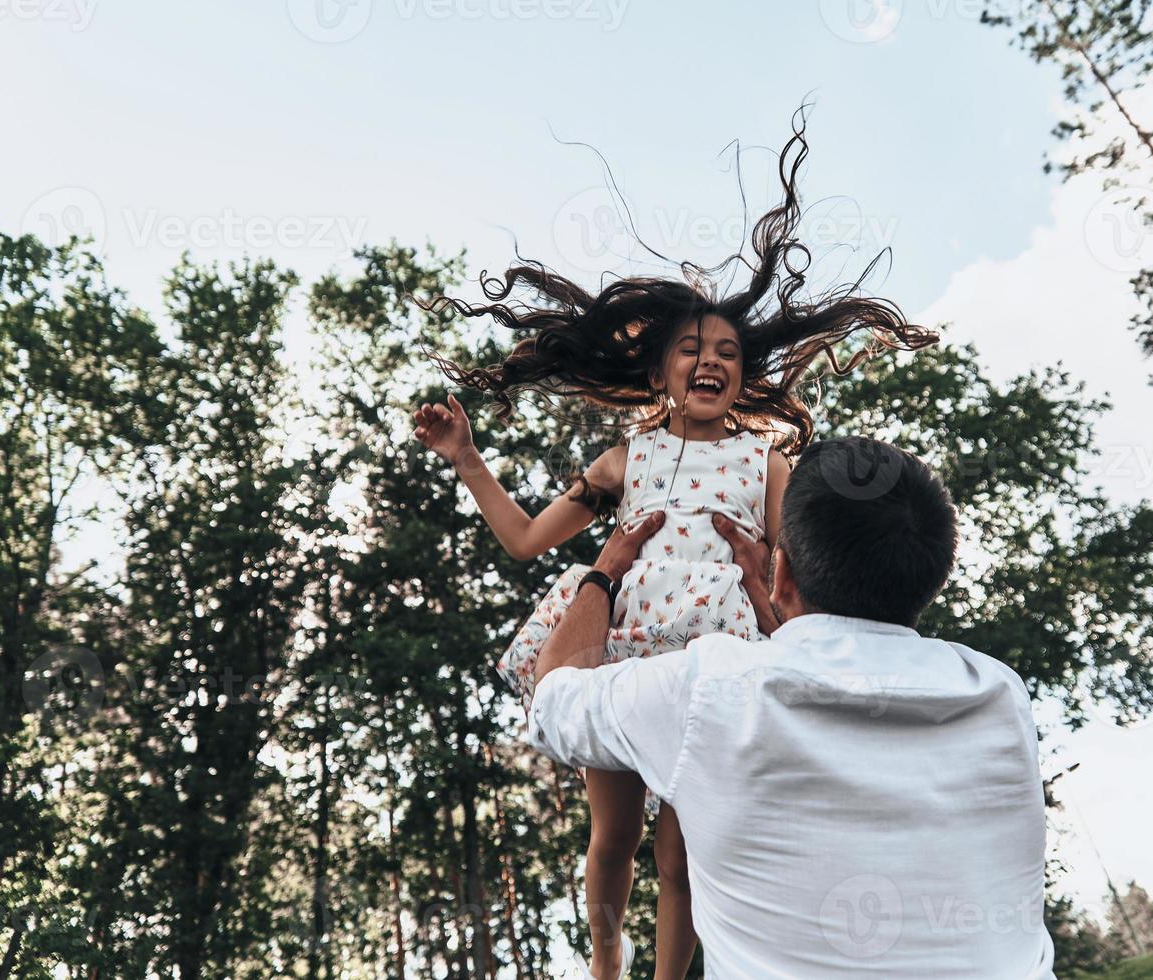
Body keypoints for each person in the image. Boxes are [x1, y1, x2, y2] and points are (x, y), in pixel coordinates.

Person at [412, 108, 935, 980]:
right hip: (620, 648)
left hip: (718, 658)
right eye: (691, 348)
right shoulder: (629, 457)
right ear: (658, 371)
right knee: (612, 834)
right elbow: (525, 541)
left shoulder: (766, 459)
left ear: (742, 374)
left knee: (681, 849)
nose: (710, 359)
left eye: (727, 351)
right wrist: (466, 458)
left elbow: (789, 575)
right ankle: (607, 971)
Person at [524, 437, 1058, 978]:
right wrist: (763, 594)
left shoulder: (710, 689)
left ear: (782, 574)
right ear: (929, 578)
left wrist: (603, 572)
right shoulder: (999, 694)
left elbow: (552, 702)